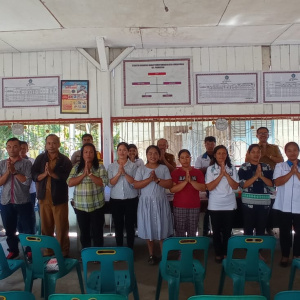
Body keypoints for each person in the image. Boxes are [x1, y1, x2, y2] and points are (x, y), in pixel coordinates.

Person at [32, 134, 72, 257]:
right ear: (45, 144)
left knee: (61, 228)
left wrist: (52, 173)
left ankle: (63, 252)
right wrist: (45, 174)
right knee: (46, 227)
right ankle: (48, 251)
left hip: (59, 199)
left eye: (54, 143)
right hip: (44, 199)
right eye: (49, 143)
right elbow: (34, 175)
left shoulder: (65, 160)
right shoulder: (40, 159)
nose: (51, 146)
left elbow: (68, 178)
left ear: (59, 144)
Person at [133, 145, 173, 265]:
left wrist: (157, 180)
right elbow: (136, 185)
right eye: (150, 153)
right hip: (146, 203)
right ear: (146, 155)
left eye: (155, 153)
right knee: (148, 227)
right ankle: (151, 255)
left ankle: (163, 255)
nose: (153, 156)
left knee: (162, 229)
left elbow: (170, 184)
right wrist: (150, 179)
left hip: (160, 201)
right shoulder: (141, 169)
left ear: (159, 155)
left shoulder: (163, 168)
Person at [67, 143, 108, 249]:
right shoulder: (76, 167)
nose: (88, 154)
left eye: (91, 152)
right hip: (81, 207)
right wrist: (83, 174)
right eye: (86, 152)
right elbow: (70, 182)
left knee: (97, 232)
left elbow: (103, 182)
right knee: (84, 233)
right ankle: (86, 255)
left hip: (97, 206)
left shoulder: (100, 167)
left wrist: (90, 174)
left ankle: (98, 254)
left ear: (94, 154)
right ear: (82, 154)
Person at [0, 138, 34, 259]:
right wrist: (8, 172)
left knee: (28, 229)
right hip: (6, 201)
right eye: (9, 146)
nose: (12, 149)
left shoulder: (26, 163)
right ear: (6, 148)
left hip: (23, 201)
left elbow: (27, 182)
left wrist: (14, 172)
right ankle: (13, 250)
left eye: (15, 146)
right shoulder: (2, 163)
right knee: (9, 230)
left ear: (20, 148)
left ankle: (30, 251)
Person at [247, 127, 283, 236]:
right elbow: (246, 161)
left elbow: (281, 161)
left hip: (270, 179)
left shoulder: (274, 147)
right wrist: (260, 153)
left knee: (270, 204)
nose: (263, 135)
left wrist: (268, 155)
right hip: (254, 179)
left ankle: (269, 226)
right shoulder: (253, 148)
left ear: (268, 135)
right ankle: (254, 228)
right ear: (257, 135)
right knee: (254, 205)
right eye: (260, 133)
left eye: (265, 133)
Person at [206, 145, 239, 263]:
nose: (221, 156)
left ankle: (226, 253)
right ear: (214, 155)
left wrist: (226, 174)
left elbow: (235, 186)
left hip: (229, 205)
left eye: (224, 153)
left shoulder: (232, 168)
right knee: (216, 232)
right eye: (219, 153)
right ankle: (218, 253)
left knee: (227, 232)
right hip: (215, 205)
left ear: (227, 155)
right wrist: (220, 175)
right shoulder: (210, 169)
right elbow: (210, 187)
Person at [273, 142, 300, 267]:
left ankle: (296, 255)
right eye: (289, 150)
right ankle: (285, 255)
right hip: (283, 205)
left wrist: (296, 172)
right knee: (284, 232)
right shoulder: (280, 166)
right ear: (286, 152)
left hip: (299, 206)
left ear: (298, 151)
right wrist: (291, 172)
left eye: (295, 150)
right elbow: (277, 182)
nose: (292, 152)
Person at [107, 142, 138, 249]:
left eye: (124, 150)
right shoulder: (111, 166)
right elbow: (110, 184)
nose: (122, 152)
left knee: (130, 226)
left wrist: (124, 173)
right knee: (118, 226)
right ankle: (119, 249)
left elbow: (135, 183)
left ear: (128, 152)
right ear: (117, 151)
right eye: (119, 150)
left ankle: (130, 249)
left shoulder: (134, 166)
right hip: (116, 200)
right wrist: (119, 173)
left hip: (131, 200)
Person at [238, 144, 273, 236]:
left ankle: (259, 249)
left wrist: (261, 176)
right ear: (248, 154)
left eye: (258, 152)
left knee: (261, 229)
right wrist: (256, 176)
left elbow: (272, 185)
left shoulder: (267, 167)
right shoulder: (244, 167)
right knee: (248, 229)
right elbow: (243, 185)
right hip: (248, 203)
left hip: (264, 203)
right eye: (253, 152)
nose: (256, 154)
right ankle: (248, 248)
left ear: (261, 154)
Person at [170, 149, 205, 237]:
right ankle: (181, 250)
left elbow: (203, 188)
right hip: (179, 206)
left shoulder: (198, 172)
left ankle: (190, 250)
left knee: (192, 232)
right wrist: (185, 181)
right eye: (182, 158)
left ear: (190, 158)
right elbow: (172, 189)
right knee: (180, 231)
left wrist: (191, 181)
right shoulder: (175, 173)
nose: (185, 160)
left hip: (194, 206)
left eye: (187, 157)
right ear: (179, 160)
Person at [194, 136, 216, 236]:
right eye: (208, 144)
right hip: (205, 186)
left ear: (215, 144)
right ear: (205, 145)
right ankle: (205, 230)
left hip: (218, 186)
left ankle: (216, 231)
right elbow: (197, 172)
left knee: (216, 210)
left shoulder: (219, 155)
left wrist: (205, 169)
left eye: (212, 144)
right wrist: (211, 168)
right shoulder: (200, 158)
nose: (210, 146)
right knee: (206, 210)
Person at [19, 141, 37, 234]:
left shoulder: (32, 161)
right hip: (17, 193)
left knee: (30, 215)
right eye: (20, 148)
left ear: (27, 149)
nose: (22, 150)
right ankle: (21, 235)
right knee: (18, 216)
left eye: (24, 148)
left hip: (30, 192)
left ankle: (31, 235)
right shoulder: (12, 161)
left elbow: (34, 177)